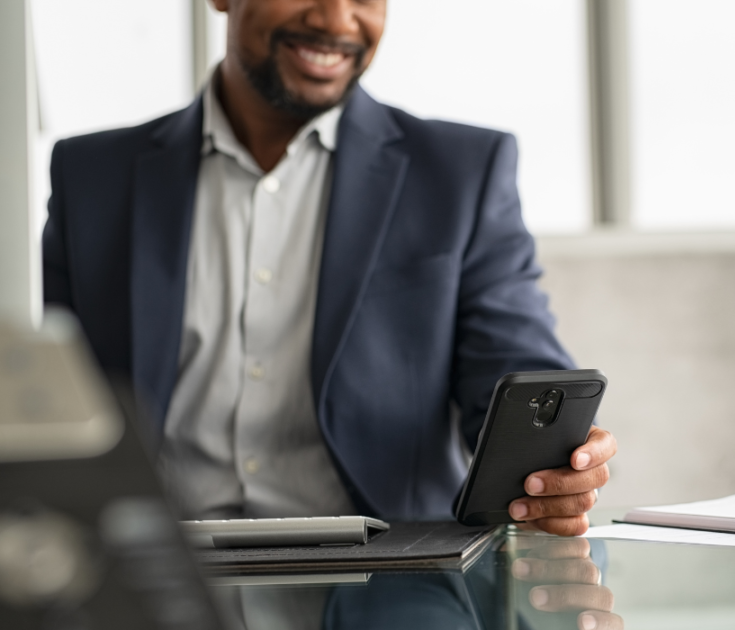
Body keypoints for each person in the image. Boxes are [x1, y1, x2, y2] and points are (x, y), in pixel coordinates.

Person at [41, 0, 616, 536]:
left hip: (391, 573)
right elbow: (48, 397)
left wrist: (551, 462)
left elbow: (509, 365)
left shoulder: (460, 173)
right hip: (162, 571)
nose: (339, 21)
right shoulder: (91, 177)